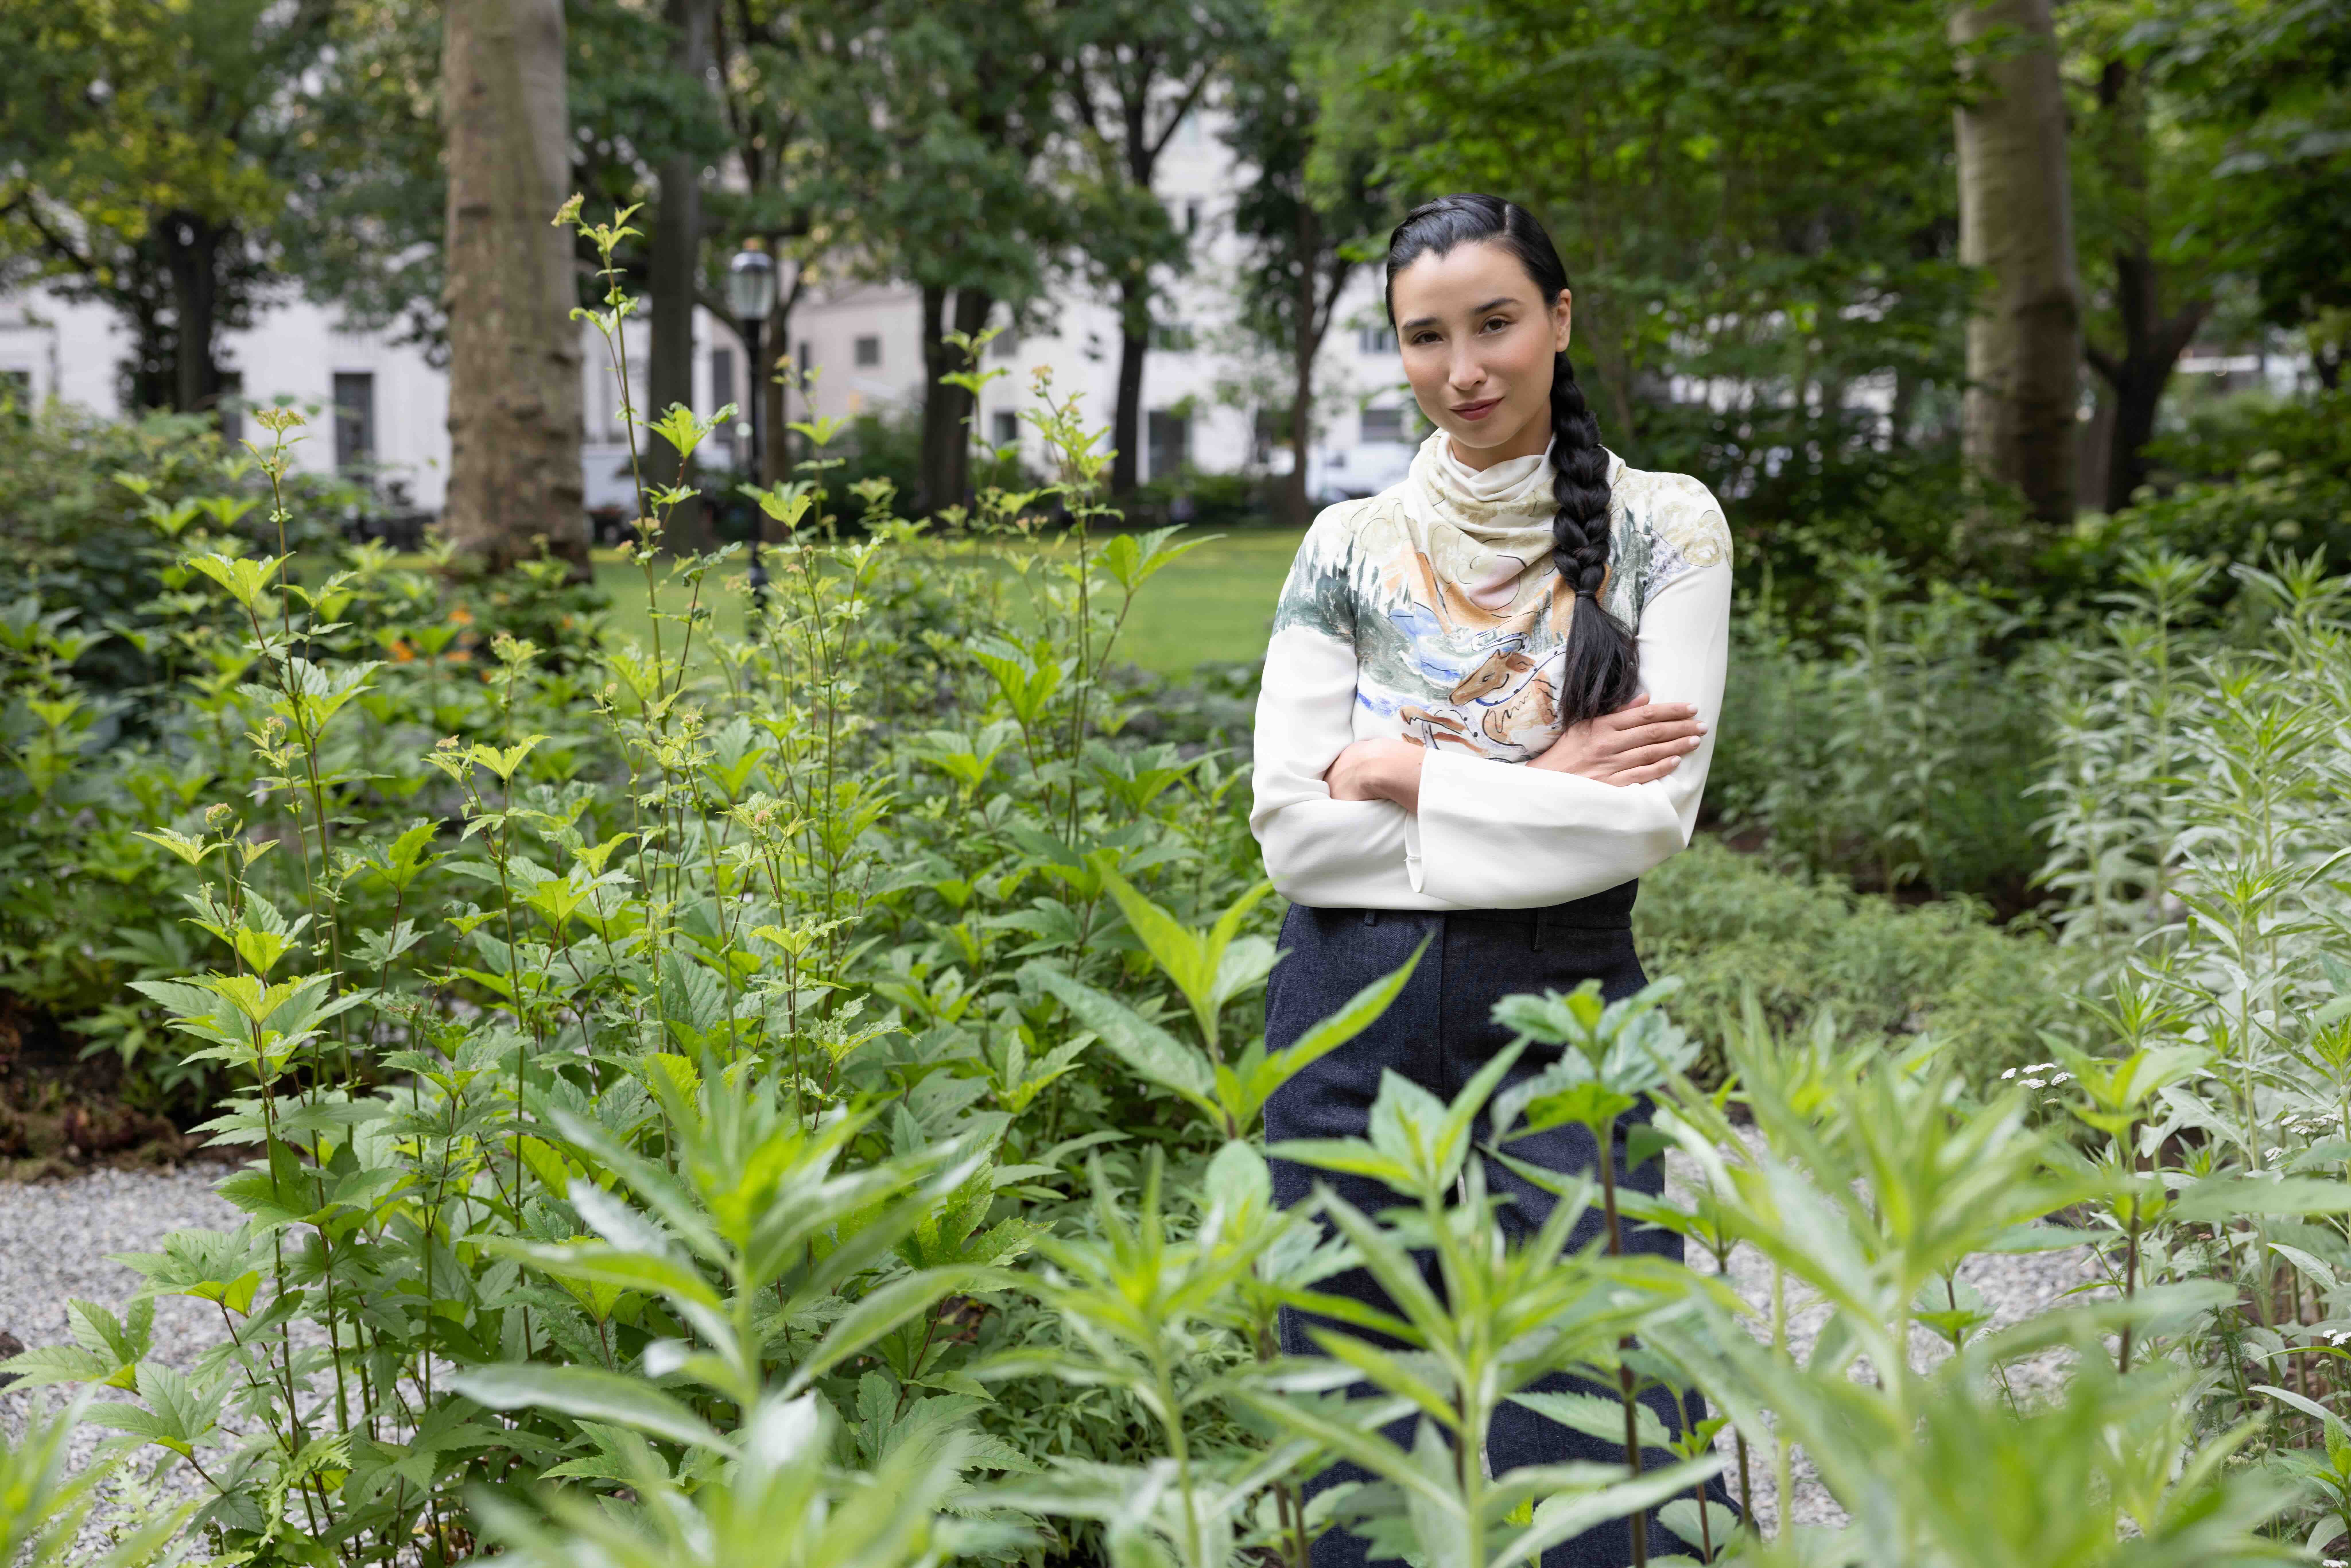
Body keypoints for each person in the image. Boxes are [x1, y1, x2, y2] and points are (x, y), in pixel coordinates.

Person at [1250, 192, 1734, 1567]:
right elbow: (1291, 831)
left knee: (1595, 1378)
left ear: (1559, 319)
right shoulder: (1345, 545)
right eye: (1424, 337)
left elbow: (1646, 818)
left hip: (1568, 985)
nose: (1461, 368)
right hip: (1344, 992)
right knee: (1350, 1391)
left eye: (1494, 323)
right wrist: (1541, 783)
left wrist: (1405, 771)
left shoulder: (1663, 531)